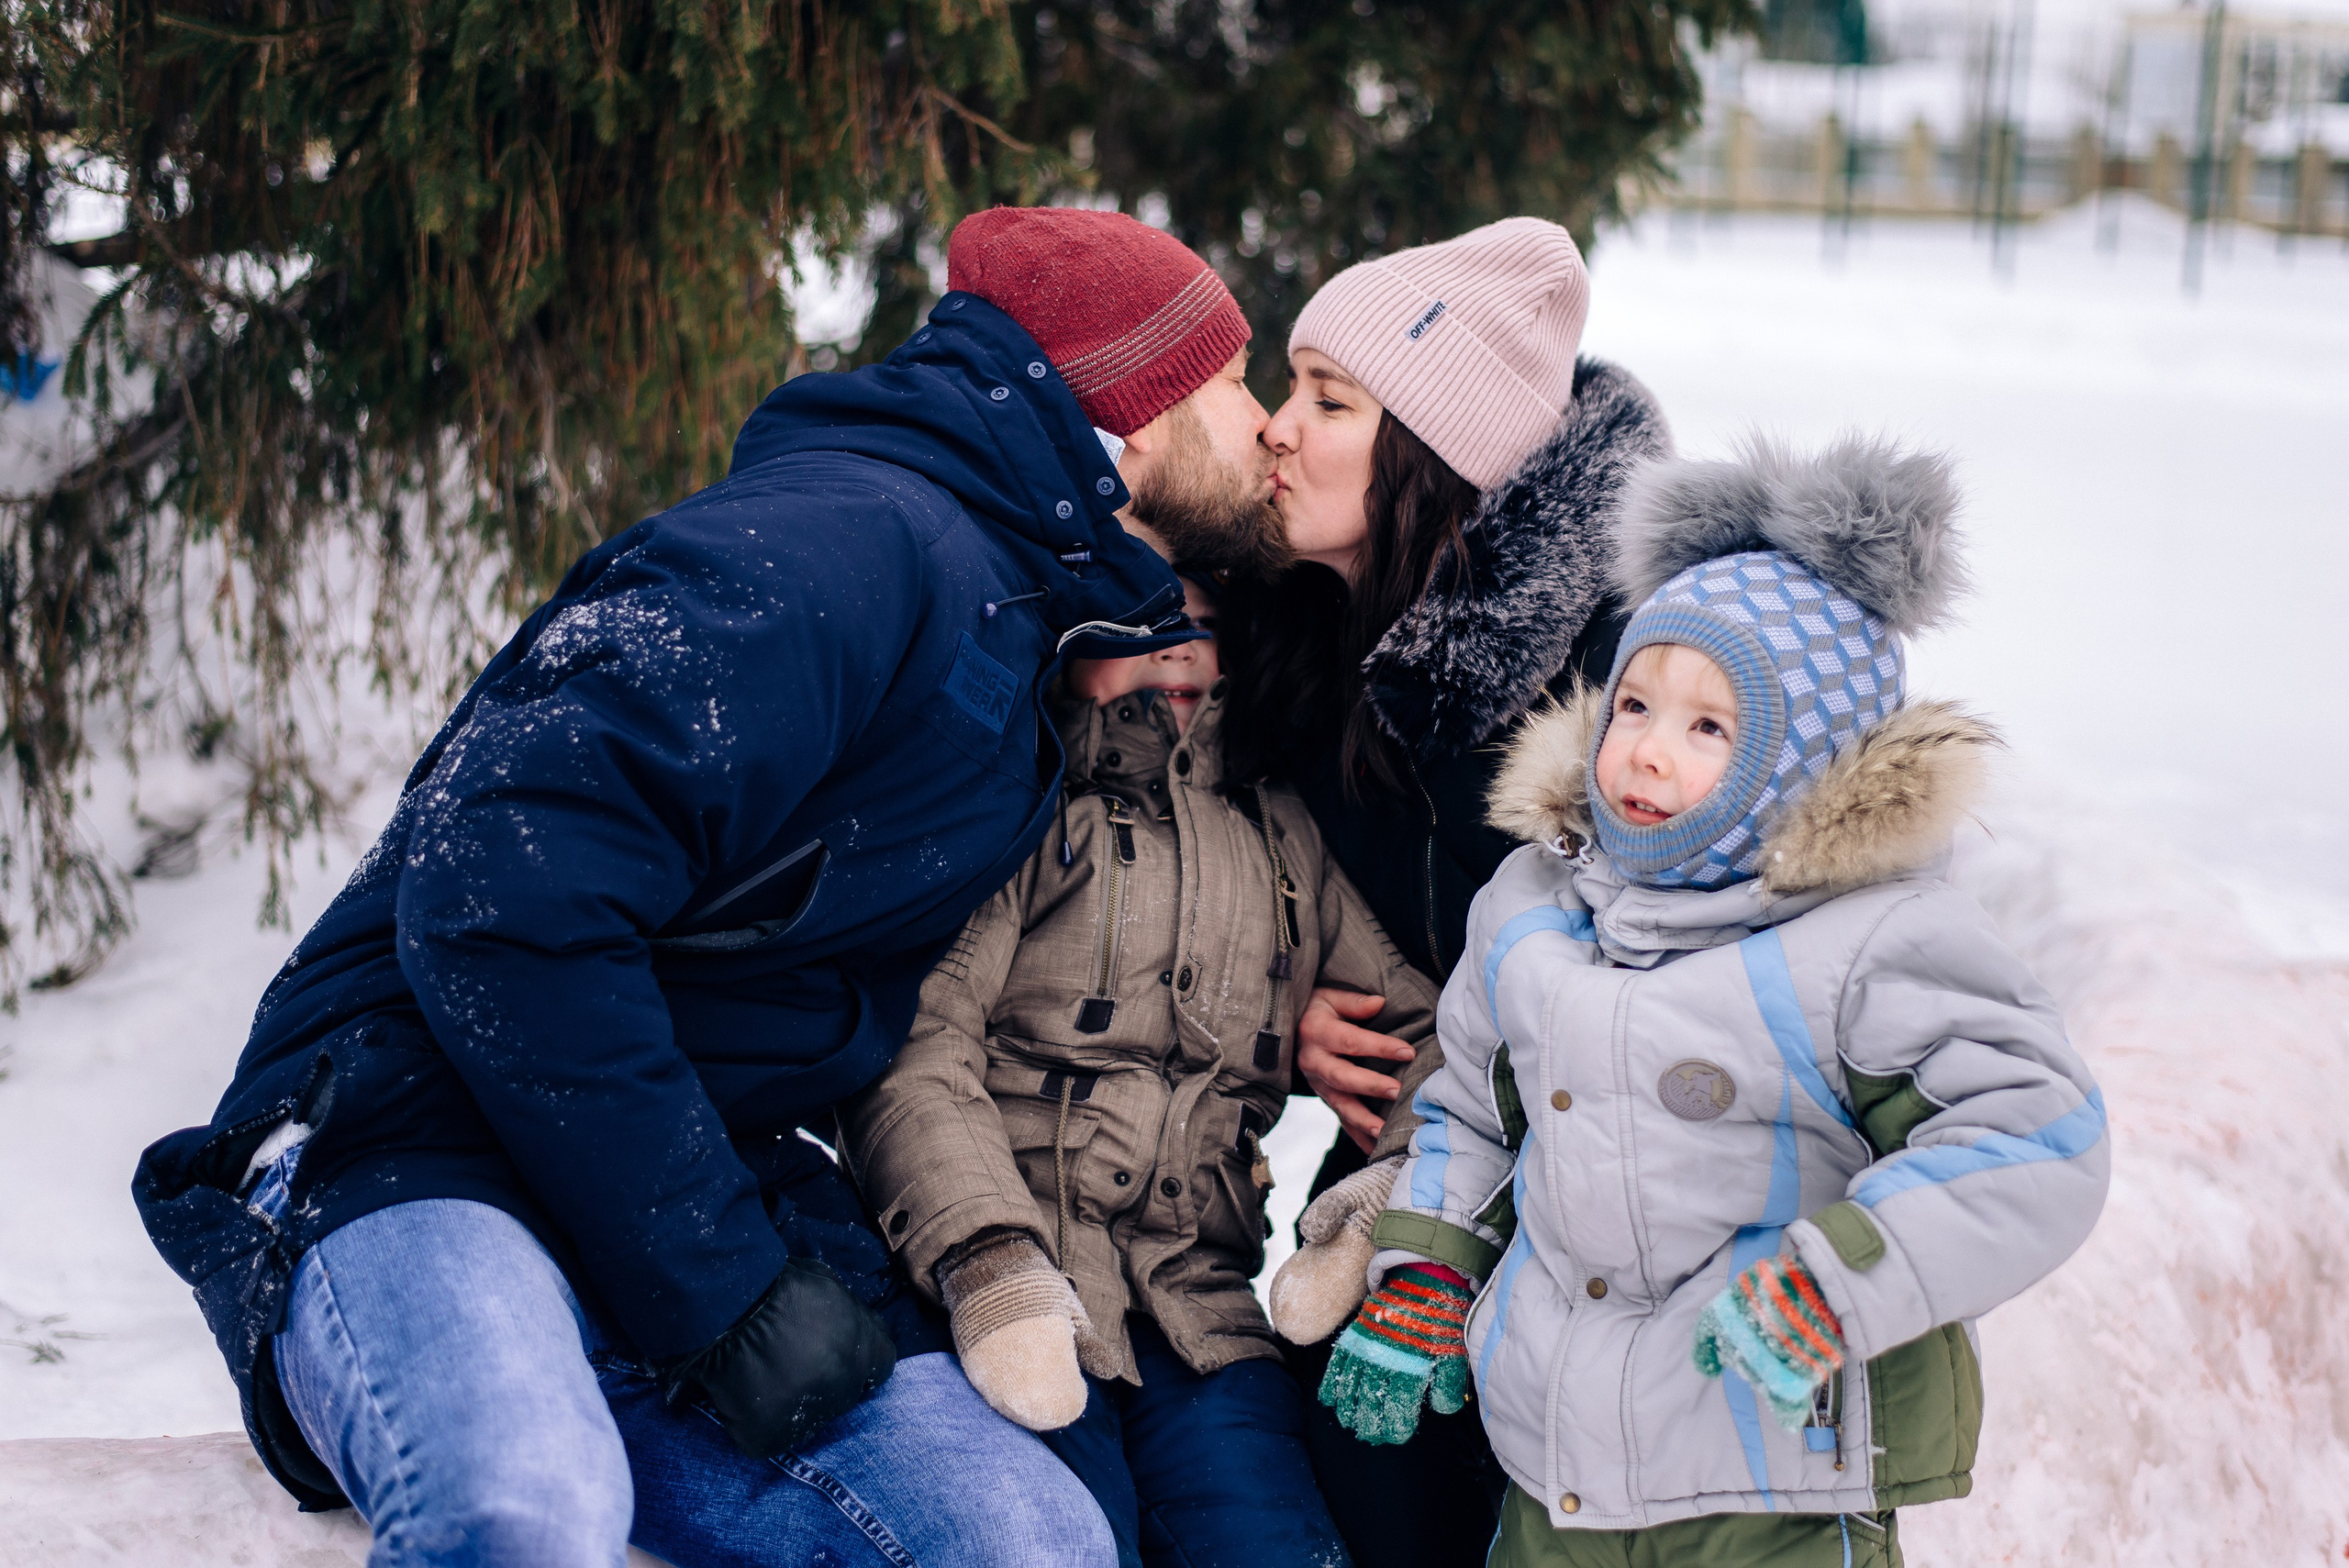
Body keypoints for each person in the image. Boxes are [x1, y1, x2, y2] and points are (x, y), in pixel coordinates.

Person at [129, 206, 1280, 1568]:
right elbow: (503, 887)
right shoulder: (837, 544)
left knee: (1026, 1542)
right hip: (417, 1132)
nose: (1267, 423)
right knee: (521, 1512)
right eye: (1236, 382)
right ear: (1134, 420)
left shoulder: (1009, 607)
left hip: (693, 1174)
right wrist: (719, 1287)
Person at [1276, 437, 2112, 1567]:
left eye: (1709, 726)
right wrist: (1428, 1267)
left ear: (1803, 759)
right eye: (1633, 704)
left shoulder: (1869, 943)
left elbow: (2035, 1137)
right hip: (1556, 1471)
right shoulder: (1534, 909)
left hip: (1775, 1480)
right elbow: (1471, 1113)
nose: (1647, 753)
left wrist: (1843, 1274)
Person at [1216, 217, 1673, 1563]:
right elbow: (1254, 878)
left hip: (1614, 1192)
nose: (1277, 429)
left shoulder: (1619, 664)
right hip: (1401, 1156)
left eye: (1329, 400)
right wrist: (1292, 1008)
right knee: (1347, 1451)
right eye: (1290, 389)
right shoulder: (1301, 637)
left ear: (1433, 454)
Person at [840, 556, 1437, 1568]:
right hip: (1020, 1291)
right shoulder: (1026, 803)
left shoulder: (1281, 831)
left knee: (1272, 1541)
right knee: (1058, 1538)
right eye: (1138, 621)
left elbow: (1427, 1036)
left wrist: (1381, 1196)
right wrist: (989, 1257)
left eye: (1199, 622)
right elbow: (920, 1042)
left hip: (1202, 1313)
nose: (1174, 648)